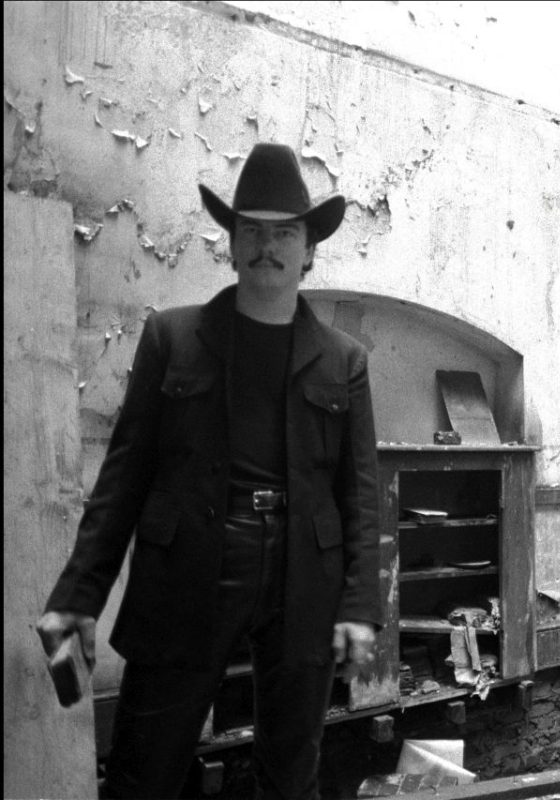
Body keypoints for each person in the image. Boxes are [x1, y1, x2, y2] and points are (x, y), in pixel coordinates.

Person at [35, 142, 382, 799]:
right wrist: (78, 595)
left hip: (301, 577)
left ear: (310, 249)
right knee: (145, 767)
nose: (267, 245)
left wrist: (361, 604)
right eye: (251, 229)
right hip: (190, 565)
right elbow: (124, 478)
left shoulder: (345, 361)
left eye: (286, 232)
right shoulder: (173, 337)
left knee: (291, 775)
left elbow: (359, 495)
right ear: (229, 240)